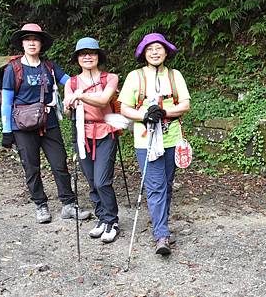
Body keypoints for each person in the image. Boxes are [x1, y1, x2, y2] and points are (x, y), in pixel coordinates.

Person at [0, 23, 91, 223]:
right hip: (22, 126)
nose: (32, 43)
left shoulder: (49, 66)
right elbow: (6, 101)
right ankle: (41, 205)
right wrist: (7, 131)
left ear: (41, 44)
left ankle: (68, 204)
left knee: (60, 164)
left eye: (36, 39)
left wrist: (97, 85)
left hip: (49, 123)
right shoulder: (13, 68)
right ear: (22, 44)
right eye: (28, 39)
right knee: (31, 167)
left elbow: (70, 82)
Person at [118, 32, 190, 255]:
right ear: (143, 53)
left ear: (166, 51)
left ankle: (162, 224)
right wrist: (145, 116)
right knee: (156, 185)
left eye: (159, 48)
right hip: (145, 139)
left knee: (166, 184)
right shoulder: (135, 77)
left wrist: (164, 111)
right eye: (150, 49)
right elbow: (124, 108)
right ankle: (161, 235)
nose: (155, 52)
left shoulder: (174, 75)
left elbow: (185, 104)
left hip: (172, 138)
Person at [64, 37, 121, 243]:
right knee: (91, 181)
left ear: (98, 56)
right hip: (81, 134)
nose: (87, 56)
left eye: (92, 53)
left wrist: (79, 96)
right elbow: (66, 106)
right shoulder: (71, 82)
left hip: (106, 132)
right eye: (82, 53)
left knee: (102, 181)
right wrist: (69, 103)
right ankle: (101, 218)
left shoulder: (110, 78)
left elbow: (104, 100)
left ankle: (112, 220)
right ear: (77, 58)